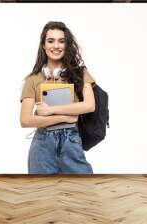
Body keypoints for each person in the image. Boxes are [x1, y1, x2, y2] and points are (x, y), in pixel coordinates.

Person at [20, 21, 96, 174]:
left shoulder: (79, 73)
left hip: (71, 141)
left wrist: (50, 111)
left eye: (61, 41)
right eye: (50, 41)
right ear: (43, 45)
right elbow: (25, 120)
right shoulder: (32, 79)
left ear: (66, 45)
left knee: (83, 191)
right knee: (42, 194)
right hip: (42, 145)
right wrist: (65, 118)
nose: (56, 46)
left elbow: (89, 105)